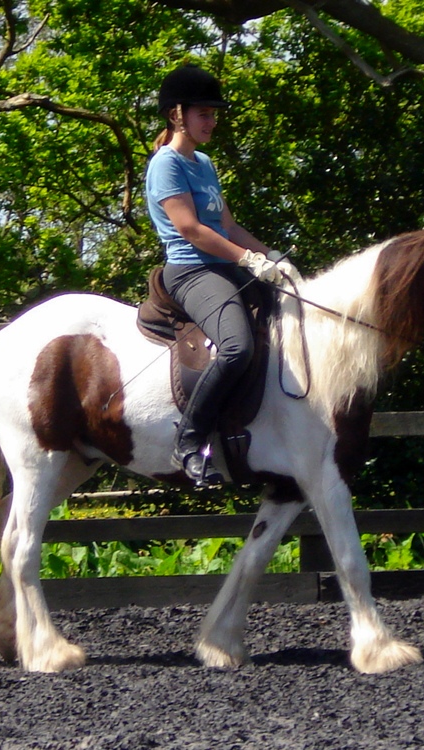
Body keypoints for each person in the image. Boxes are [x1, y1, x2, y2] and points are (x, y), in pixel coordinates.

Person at [146, 64, 288, 487]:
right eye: (204, 114)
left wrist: (270, 256)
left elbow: (227, 225)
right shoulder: (166, 165)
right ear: (177, 114)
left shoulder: (204, 163)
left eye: (213, 114)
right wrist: (248, 260)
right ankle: (188, 441)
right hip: (191, 271)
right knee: (236, 347)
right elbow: (191, 229)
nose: (212, 121)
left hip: (224, 264)